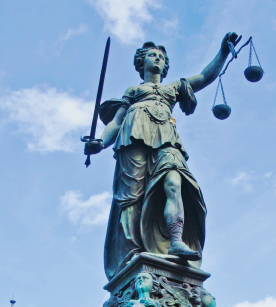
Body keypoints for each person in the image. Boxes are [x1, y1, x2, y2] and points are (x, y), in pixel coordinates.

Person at [83, 33, 241, 279]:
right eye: (151, 55)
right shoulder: (134, 91)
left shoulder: (172, 89)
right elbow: (116, 121)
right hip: (133, 138)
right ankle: (131, 256)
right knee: (131, 198)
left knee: (174, 180)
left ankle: (176, 239)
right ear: (141, 63)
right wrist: (100, 142)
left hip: (166, 138)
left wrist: (222, 52)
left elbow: (204, 77)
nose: (156, 58)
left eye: (160, 56)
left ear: (165, 65)